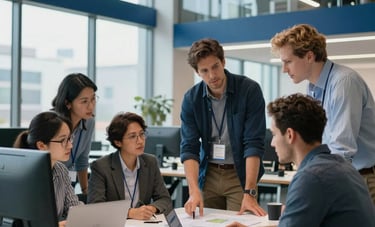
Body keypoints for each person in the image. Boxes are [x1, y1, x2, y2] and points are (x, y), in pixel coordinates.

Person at [227, 93, 375, 227]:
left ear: (290, 135)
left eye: (274, 134)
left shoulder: (311, 178)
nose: (272, 143)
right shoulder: (341, 165)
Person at [270, 24, 375, 203]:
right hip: (334, 175)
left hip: (358, 178)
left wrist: (310, 184)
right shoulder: (313, 89)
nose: (284, 69)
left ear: (309, 56)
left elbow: (342, 149)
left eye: (288, 62)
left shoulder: (344, 83)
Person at [180, 38, 267, 217]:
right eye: (204, 70)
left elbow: (253, 144)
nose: (212, 75)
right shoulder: (191, 99)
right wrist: (193, 190)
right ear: (197, 72)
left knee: (239, 224)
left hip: (239, 175)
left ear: (223, 62)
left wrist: (249, 192)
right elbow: (189, 147)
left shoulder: (249, 90)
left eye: (215, 66)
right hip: (208, 174)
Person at [87, 112, 172, 220]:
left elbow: (165, 199)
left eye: (142, 134)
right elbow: (95, 207)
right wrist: (130, 213)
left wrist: (151, 208)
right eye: (132, 136)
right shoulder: (101, 167)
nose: (140, 141)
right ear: (118, 142)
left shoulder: (150, 162)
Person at [13, 111, 82, 227]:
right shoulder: (22, 177)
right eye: (63, 140)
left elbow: (74, 207)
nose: (70, 145)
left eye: (70, 138)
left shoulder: (61, 170)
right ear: (41, 145)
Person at [52, 73, 98, 196]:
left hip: (68, 186)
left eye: (93, 99)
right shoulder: (51, 123)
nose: (91, 106)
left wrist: (85, 192)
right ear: (68, 103)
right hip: (48, 186)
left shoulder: (89, 122)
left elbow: (82, 159)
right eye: (84, 101)